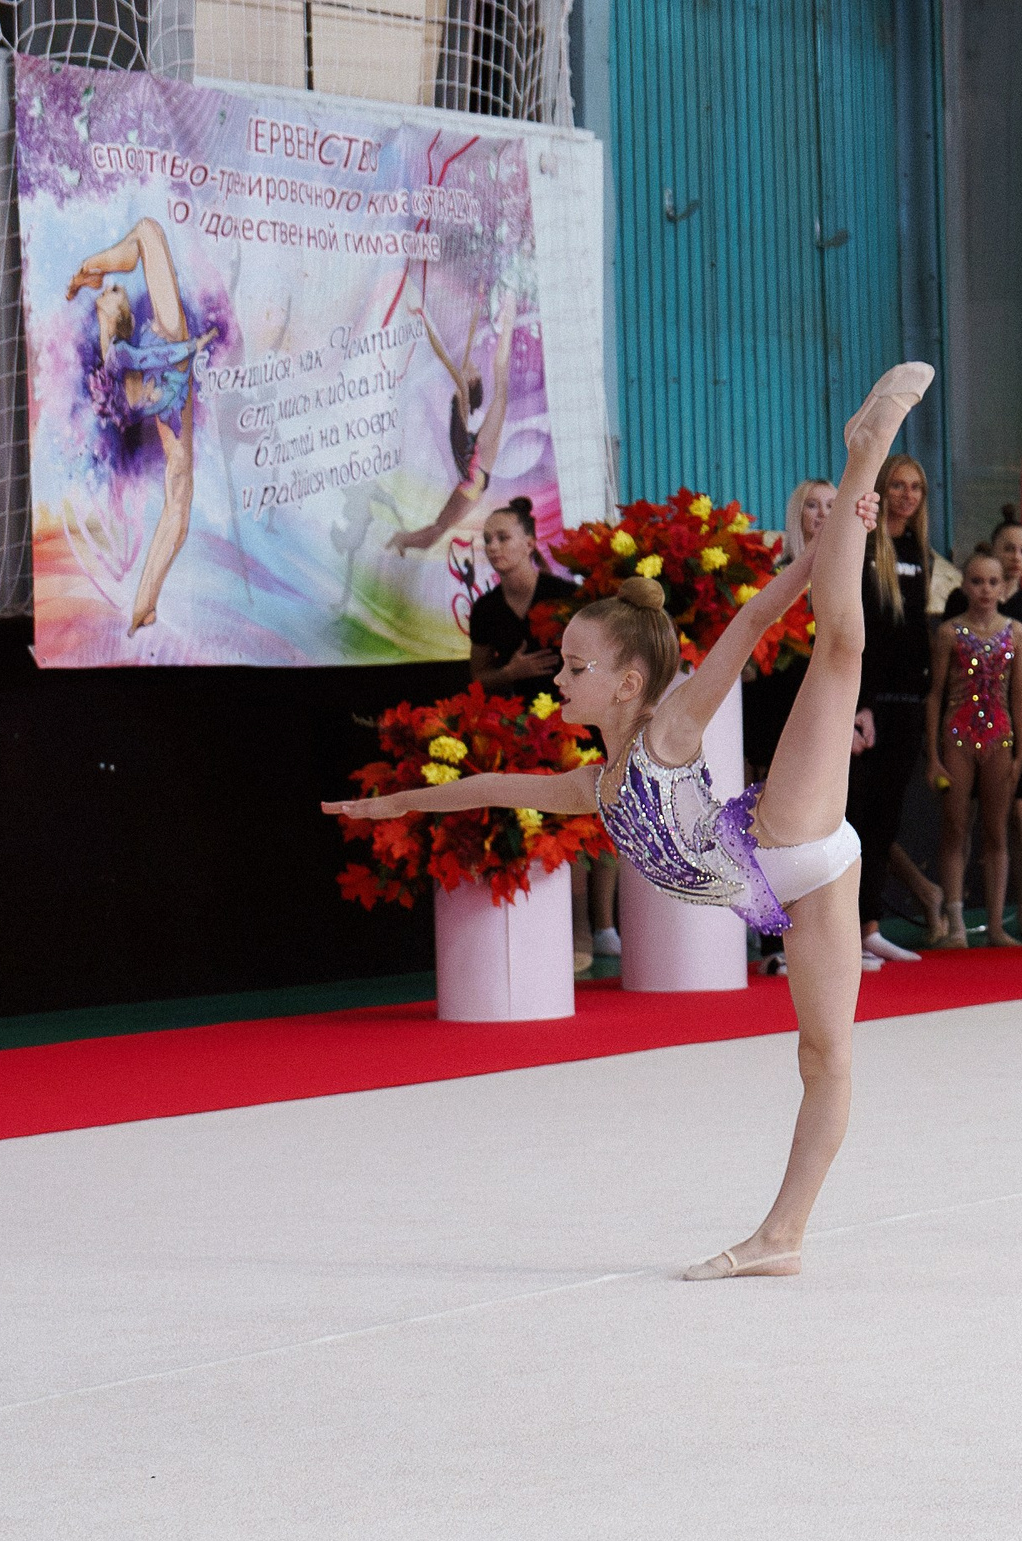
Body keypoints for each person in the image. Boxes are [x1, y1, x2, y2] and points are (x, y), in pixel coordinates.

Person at [326, 362, 933, 1280]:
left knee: (839, 647)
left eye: (574, 667)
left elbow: (761, 616)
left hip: (784, 836)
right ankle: (785, 1238)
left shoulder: (675, 726)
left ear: (630, 681)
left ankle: (867, 453)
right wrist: (392, 802)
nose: (558, 678)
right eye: (562, 665)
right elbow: (489, 785)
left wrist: (823, 548)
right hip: (802, 894)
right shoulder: (595, 789)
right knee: (822, 1057)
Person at [464, 496, 617, 966]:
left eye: (502, 537)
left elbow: (597, 659)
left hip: (575, 721)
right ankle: (573, 934)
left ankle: (605, 923)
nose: (493, 546)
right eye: (487, 539)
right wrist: (511, 672)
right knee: (556, 826)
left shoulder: (563, 596)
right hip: (521, 730)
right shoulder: (486, 609)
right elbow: (477, 680)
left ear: (530, 542)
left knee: (600, 814)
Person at [67, 217, 217, 634]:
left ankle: (143, 605)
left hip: (162, 391)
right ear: (116, 315)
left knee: (179, 500)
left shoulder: (114, 349)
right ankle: (143, 605)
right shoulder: (131, 347)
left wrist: (88, 275)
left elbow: (139, 369)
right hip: (169, 364)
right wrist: (193, 345)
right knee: (148, 232)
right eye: (115, 292)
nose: (120, 291)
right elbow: (156, 359)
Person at [850, 453, 951, 965]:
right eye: (897, 485)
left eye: (916, 487)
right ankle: (849, 931)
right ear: (882, 490)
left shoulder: (922, 551)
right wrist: (857, 705)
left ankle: (870, 927)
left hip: (910, 702)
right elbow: (860, 634)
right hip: (869, 704)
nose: (906, 495)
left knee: (885, 822)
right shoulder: (865, 546)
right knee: (857, 818)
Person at [922, 548, 1022, 945]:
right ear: (964, 585)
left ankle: (997, 925)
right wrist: (932, 755)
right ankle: (956, 923)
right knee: (954, 826)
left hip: (999, 735)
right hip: (958, 734)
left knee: (996, 831)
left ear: (1003, 588)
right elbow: (935, 694)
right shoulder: (949, 632)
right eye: (978, 581)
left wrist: (1021, 750)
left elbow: (1019, 695)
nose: (985, 589)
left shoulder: (1017, 632)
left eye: (993, 582)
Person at [389, 288, 518, 555]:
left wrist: (425, 317)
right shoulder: (461, 396)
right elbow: (452, 353)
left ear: (471, 381)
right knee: (502, 387)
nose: (470, 366)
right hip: (475, 472)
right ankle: (508, 322)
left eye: (472, 370)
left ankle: (404, 539)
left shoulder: (461, 397)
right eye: (473, 367)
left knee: (438, 528)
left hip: (473, 476)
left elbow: (443, 353)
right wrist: (425, 316)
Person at [745, 477, 836, 787]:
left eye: (830, 506)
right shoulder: (775, 572)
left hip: (826, 693)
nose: (822, 514)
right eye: (812, 505)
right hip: (778, 696)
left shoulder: (851, 572)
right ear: (797, 513)